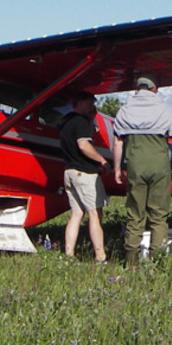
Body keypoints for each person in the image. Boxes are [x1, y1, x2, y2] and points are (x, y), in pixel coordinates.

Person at [113, 75, 172, 266]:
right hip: (159, 168)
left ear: (137, 89)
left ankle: (131, 263)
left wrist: (116, 169)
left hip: (135, 167)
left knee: (135, 216)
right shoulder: (165, 109)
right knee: (159, 217)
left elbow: (117, 143)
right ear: (154, 89)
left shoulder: (125, 110)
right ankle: (158, 262)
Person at [59, 91, 110, 264]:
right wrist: (102, 160)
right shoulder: (80, 121)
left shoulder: (66, 122)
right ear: (79, 104)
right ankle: (100, 256)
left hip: (69, 172)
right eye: (89, 104)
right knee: (95, 213)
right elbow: (83, 145)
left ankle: (69, 255)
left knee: (76, 214)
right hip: (85, 172)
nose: (93, 107)